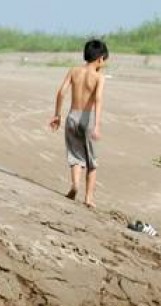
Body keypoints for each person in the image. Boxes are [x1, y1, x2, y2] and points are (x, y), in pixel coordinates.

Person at [49, 39, 109, 209]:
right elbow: (98, 100)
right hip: (87, 118)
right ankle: (88, 198)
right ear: (100, 59)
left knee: (75, 155)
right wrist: (97, 125)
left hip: (72, 117)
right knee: (92, 161)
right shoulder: (99, 77)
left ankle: (75, 184)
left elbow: (61, 92)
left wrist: (57, 115)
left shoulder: (74, 71)